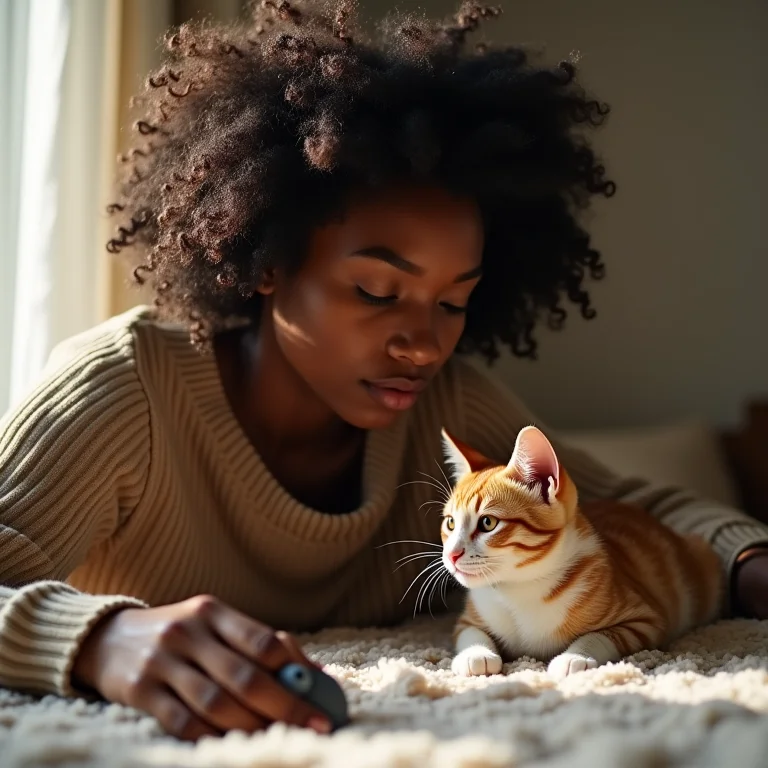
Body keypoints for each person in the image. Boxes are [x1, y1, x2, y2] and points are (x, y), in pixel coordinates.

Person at [1, 0, 766, 744]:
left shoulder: (446, 403)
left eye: (455, 303)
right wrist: (105, 639)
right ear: (267, 263)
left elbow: (627, 504)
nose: (424, 345)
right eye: (376, 291)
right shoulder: (122, 389)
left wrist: (749, 561)